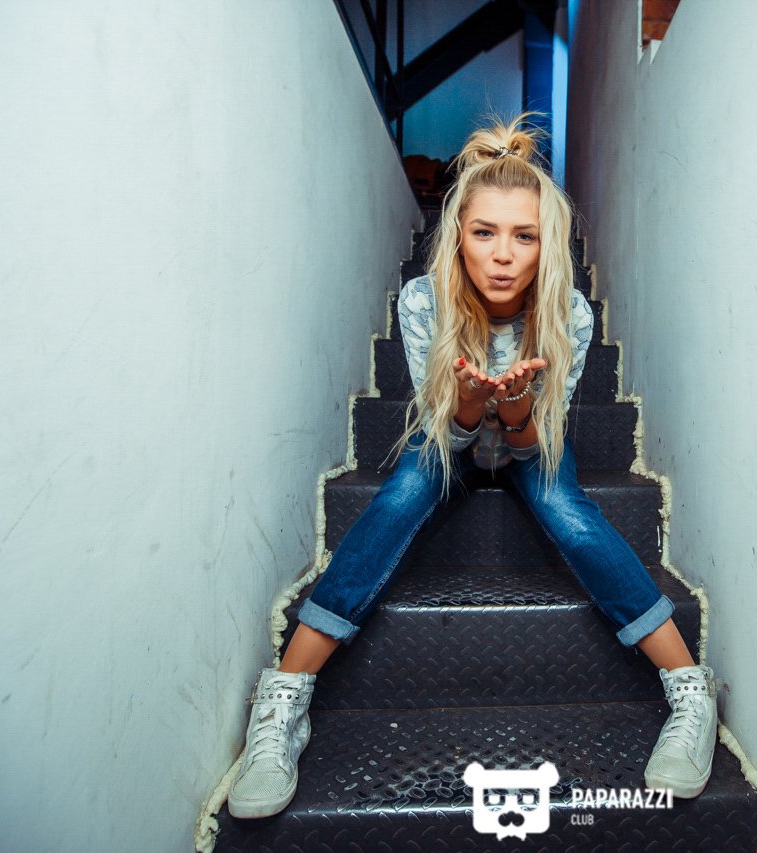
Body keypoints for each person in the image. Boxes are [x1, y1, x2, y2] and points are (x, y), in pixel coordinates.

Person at [226, 113, 717, 820]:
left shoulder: (571, 316)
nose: (503, 255)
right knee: (403, 492)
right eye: (485, 232)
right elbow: (444, 438)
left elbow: (532, 448)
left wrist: (514, 411)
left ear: (548, 245)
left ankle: (689, 689)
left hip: (527, 441)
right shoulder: (424, 301)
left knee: (568, 509)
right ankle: (284, 701)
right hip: (450, 441)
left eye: (525, 236)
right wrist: (464, 407)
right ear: (458, 233)